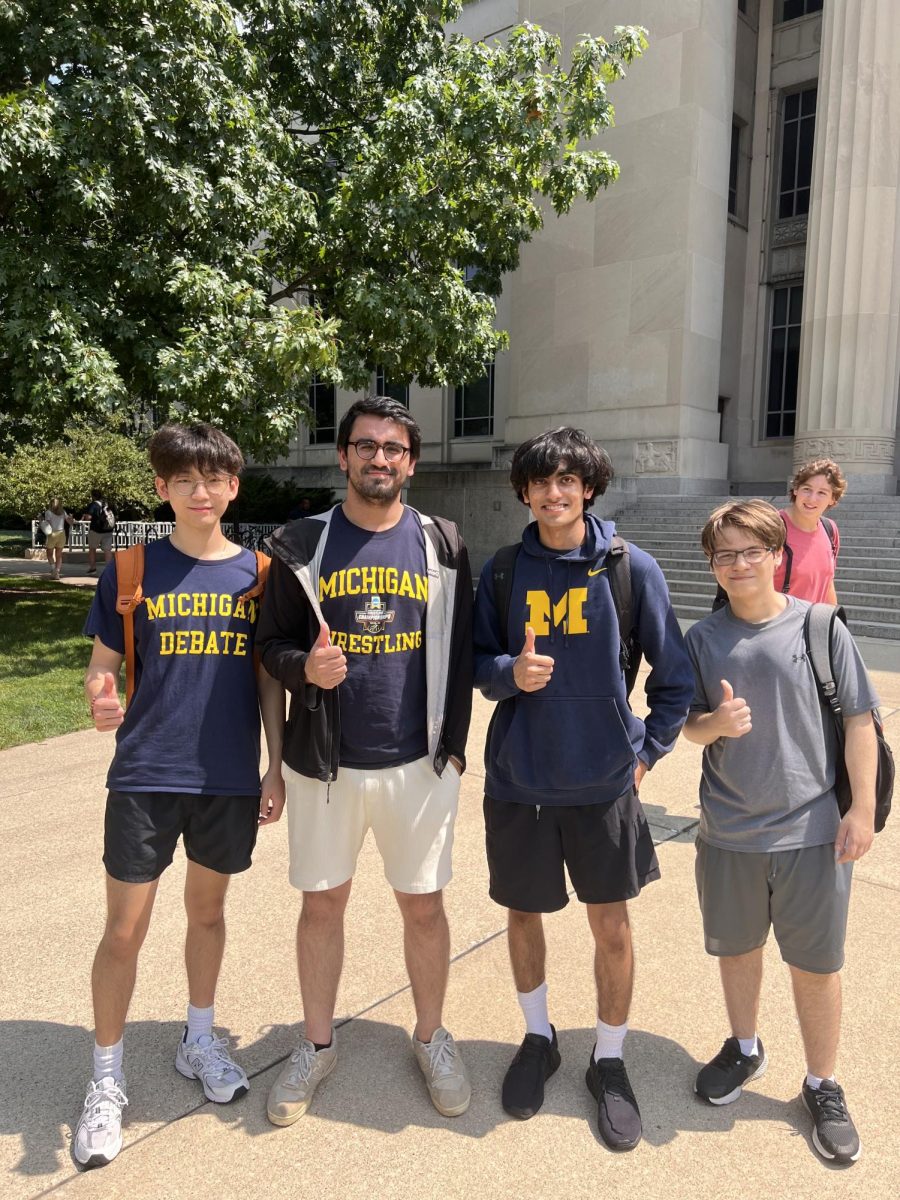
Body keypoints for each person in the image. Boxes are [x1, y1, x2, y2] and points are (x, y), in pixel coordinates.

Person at [473, 427, 694, 1150]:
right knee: (524, 916)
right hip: (520, 782)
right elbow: (475, 664)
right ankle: (539, 1039)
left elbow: (676, 679)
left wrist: (648, 752)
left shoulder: (631, 569)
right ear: (526, 491)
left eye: (570, 480)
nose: (555, 492)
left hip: (603, 786)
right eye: (542, 481)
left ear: (589, 488)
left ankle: (608, 1058)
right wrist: (510, 673)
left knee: (612, 928)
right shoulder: (505, 571)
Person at [73, 423, 286, 1170]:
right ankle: (106, 1077)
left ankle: (199, 1038)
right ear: (161, 488)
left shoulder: (260, 574)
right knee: (123, 932)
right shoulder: (130, 569)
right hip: (144, 774)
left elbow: (266, 679)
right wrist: (101, 699)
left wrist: (275, 766)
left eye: (215, 477)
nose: (202, 491)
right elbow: (102, 669)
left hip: (227, 776)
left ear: (234, 486)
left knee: (209, 913)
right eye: (185, 479)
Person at [257, 395, 473, 1126]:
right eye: (366, 445)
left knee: (425, 907)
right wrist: (303, 671)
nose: (380, 459)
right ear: (344, 455)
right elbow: (270, 645)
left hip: (417, 763)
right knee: (322, 905)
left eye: (395, 448)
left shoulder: (442, 541)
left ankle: (432, 1037)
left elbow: (464, 647)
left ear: (411, 462)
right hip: (325, 765)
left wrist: (453, 751)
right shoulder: (299, 543)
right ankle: (317, 1046)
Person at [683, 499, 878, 1165]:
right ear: (713, 564)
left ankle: (822, 1083)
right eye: (724, 554)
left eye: (750, 551)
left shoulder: (821, 627)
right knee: (736, 951)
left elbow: (859, 722)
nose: (738, 564)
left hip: (812, 831)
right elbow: (688, 724)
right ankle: (744, 1049)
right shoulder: (702, 640)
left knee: (816, 967)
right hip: (729, 830)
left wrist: (861, 812)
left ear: (777, 555)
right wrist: (718, 725)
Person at [774, 457, 846, 603]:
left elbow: (827, 584)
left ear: (833, 499)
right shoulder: (772, 526)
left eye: (822, 493)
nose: (812, 499)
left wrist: (831, 622)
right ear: (795, 490)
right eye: (807, 489)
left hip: (812, 624)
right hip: (776, 623)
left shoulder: (830, 529)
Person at [81, 489, 116, 574]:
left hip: (96, 530)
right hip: (108, 529)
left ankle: (93, 568)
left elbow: (89, 517)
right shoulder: (107, 504)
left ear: (93, 496)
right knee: (107, 550)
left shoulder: (94, 505)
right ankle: (108, 569)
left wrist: (84, 516)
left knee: (92, 549)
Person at [40, 498, 73, 579]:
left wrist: (40, 520)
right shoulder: (63, 512)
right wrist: (71, 518)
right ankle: (57, 572)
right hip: (62, 534)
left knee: (49, 554)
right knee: (59, 555)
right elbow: (70, 522)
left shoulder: (48, 512)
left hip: (52, 534)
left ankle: (53, 569)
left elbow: (48, 525)